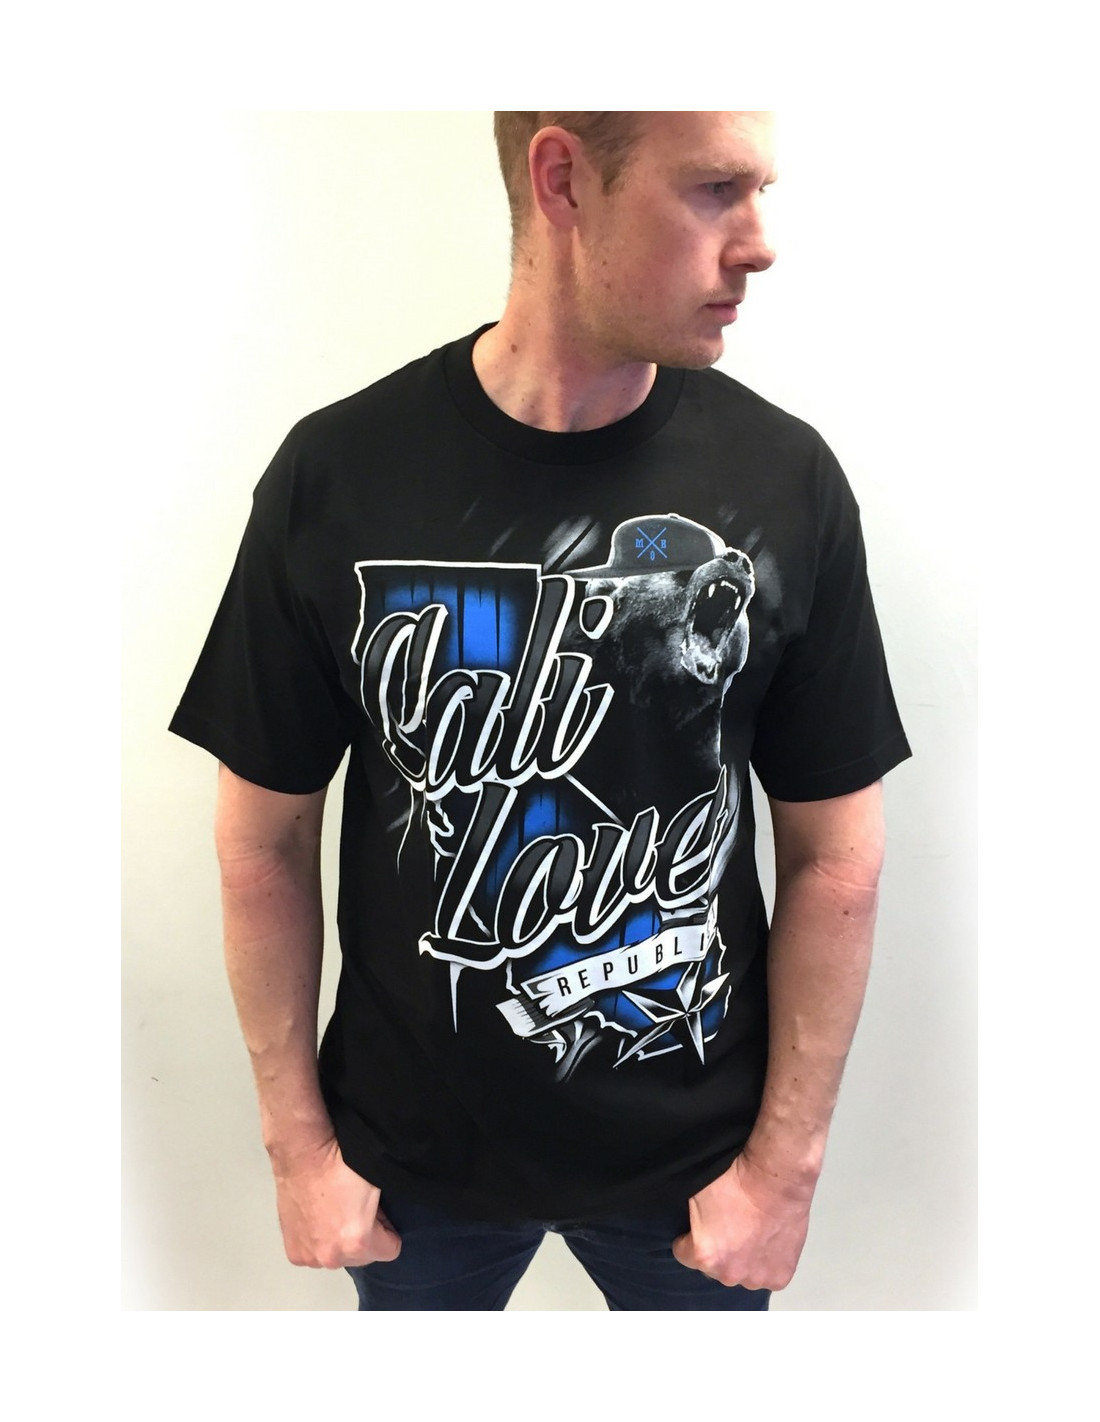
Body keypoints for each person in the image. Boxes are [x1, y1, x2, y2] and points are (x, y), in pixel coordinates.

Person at [170, 111, 911, 1311]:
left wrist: (783, 1168)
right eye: (712, 189)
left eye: (757, 191)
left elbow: (836, 855)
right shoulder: (340, 473)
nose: (758, 242)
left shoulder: (783, 481)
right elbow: (263, 839)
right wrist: (298, 1152)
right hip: (411, 1173)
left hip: (697, 1171)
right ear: (563, 178)